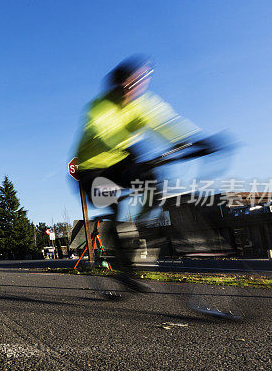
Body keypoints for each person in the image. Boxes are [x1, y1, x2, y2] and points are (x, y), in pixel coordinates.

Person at [73, 56, 203, 291]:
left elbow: (165, 123)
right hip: (92, 171)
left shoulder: (143, 104)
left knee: (153, 182)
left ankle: (143, 228)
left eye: (139, 82)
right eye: (128, 85)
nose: (133, 90)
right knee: (113, 203)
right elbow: (102, 132)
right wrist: (129, 150)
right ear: (117, 85)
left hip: (120, 163)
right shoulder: (99, 106)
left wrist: (195, 141)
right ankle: (124, 264)